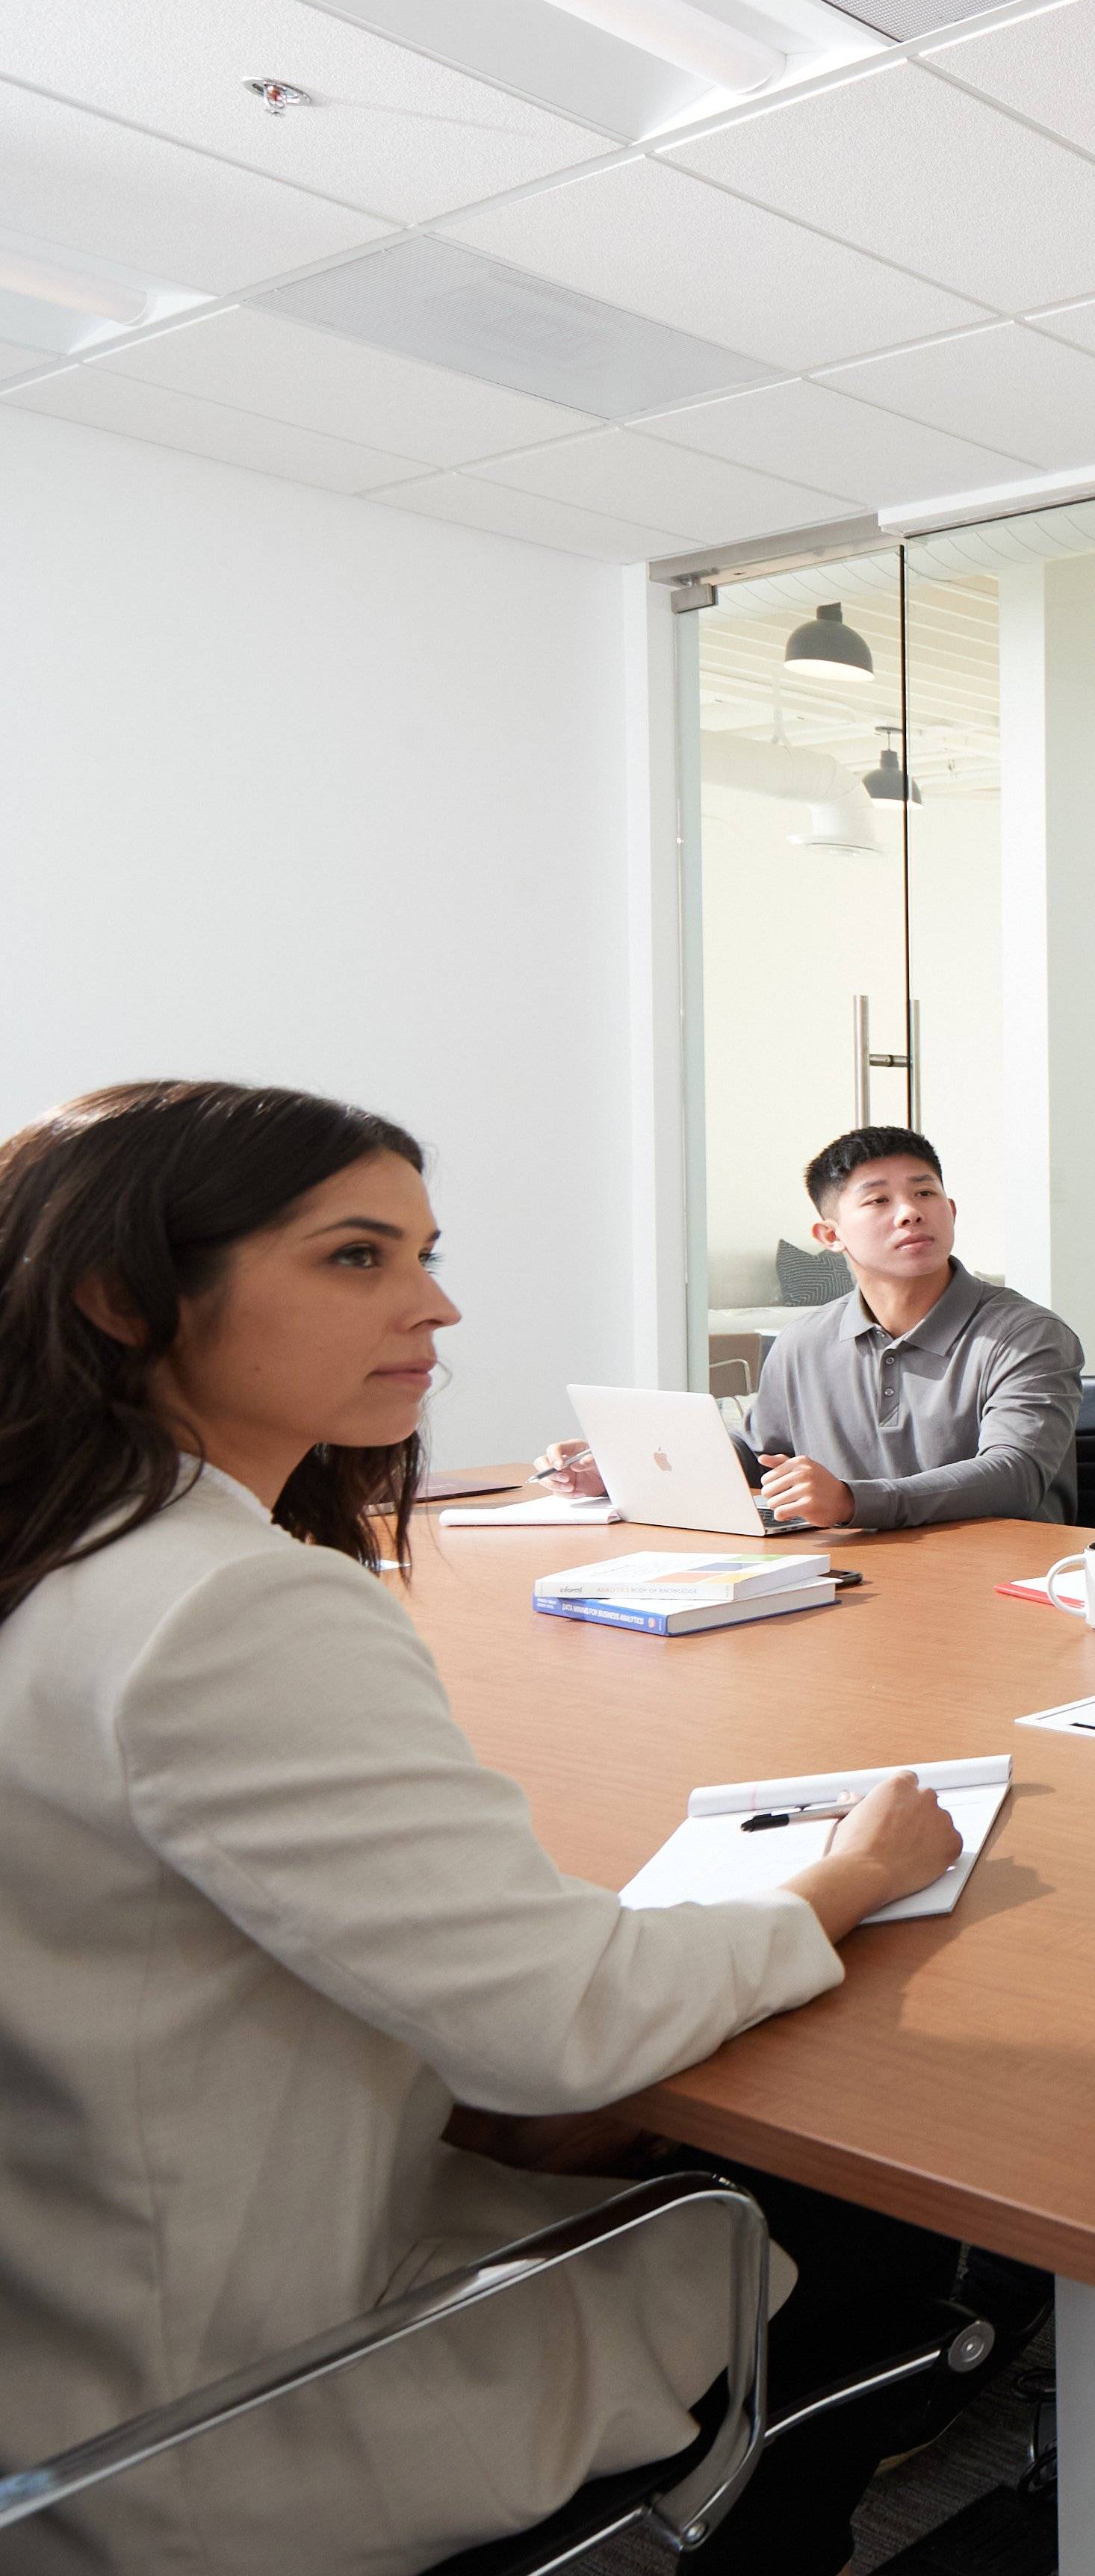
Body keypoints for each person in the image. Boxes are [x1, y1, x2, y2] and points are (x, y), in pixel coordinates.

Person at [0, 1081, 989, 2576]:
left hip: (69, 2319)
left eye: (423, 1253)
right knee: (872, 2200)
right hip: (207, 2409)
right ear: (121, 1297)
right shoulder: (224, 1602)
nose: (437, 1306)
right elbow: (564, 2024)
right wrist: (848, 1874)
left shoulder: (64, 1553)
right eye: (357, 1256)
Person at [541, 1126, 1080, 1528]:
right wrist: (621, 1468)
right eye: (879, 1200)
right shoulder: (804, 1341)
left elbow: (1015, 1474)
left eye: (924, 1193)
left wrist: (852, 1500)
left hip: (995, 1580)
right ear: (830, 1235)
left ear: (951, 1210)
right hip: (855, 1576)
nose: (910, 1213)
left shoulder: (1026, 1335)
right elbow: (760, 1454)